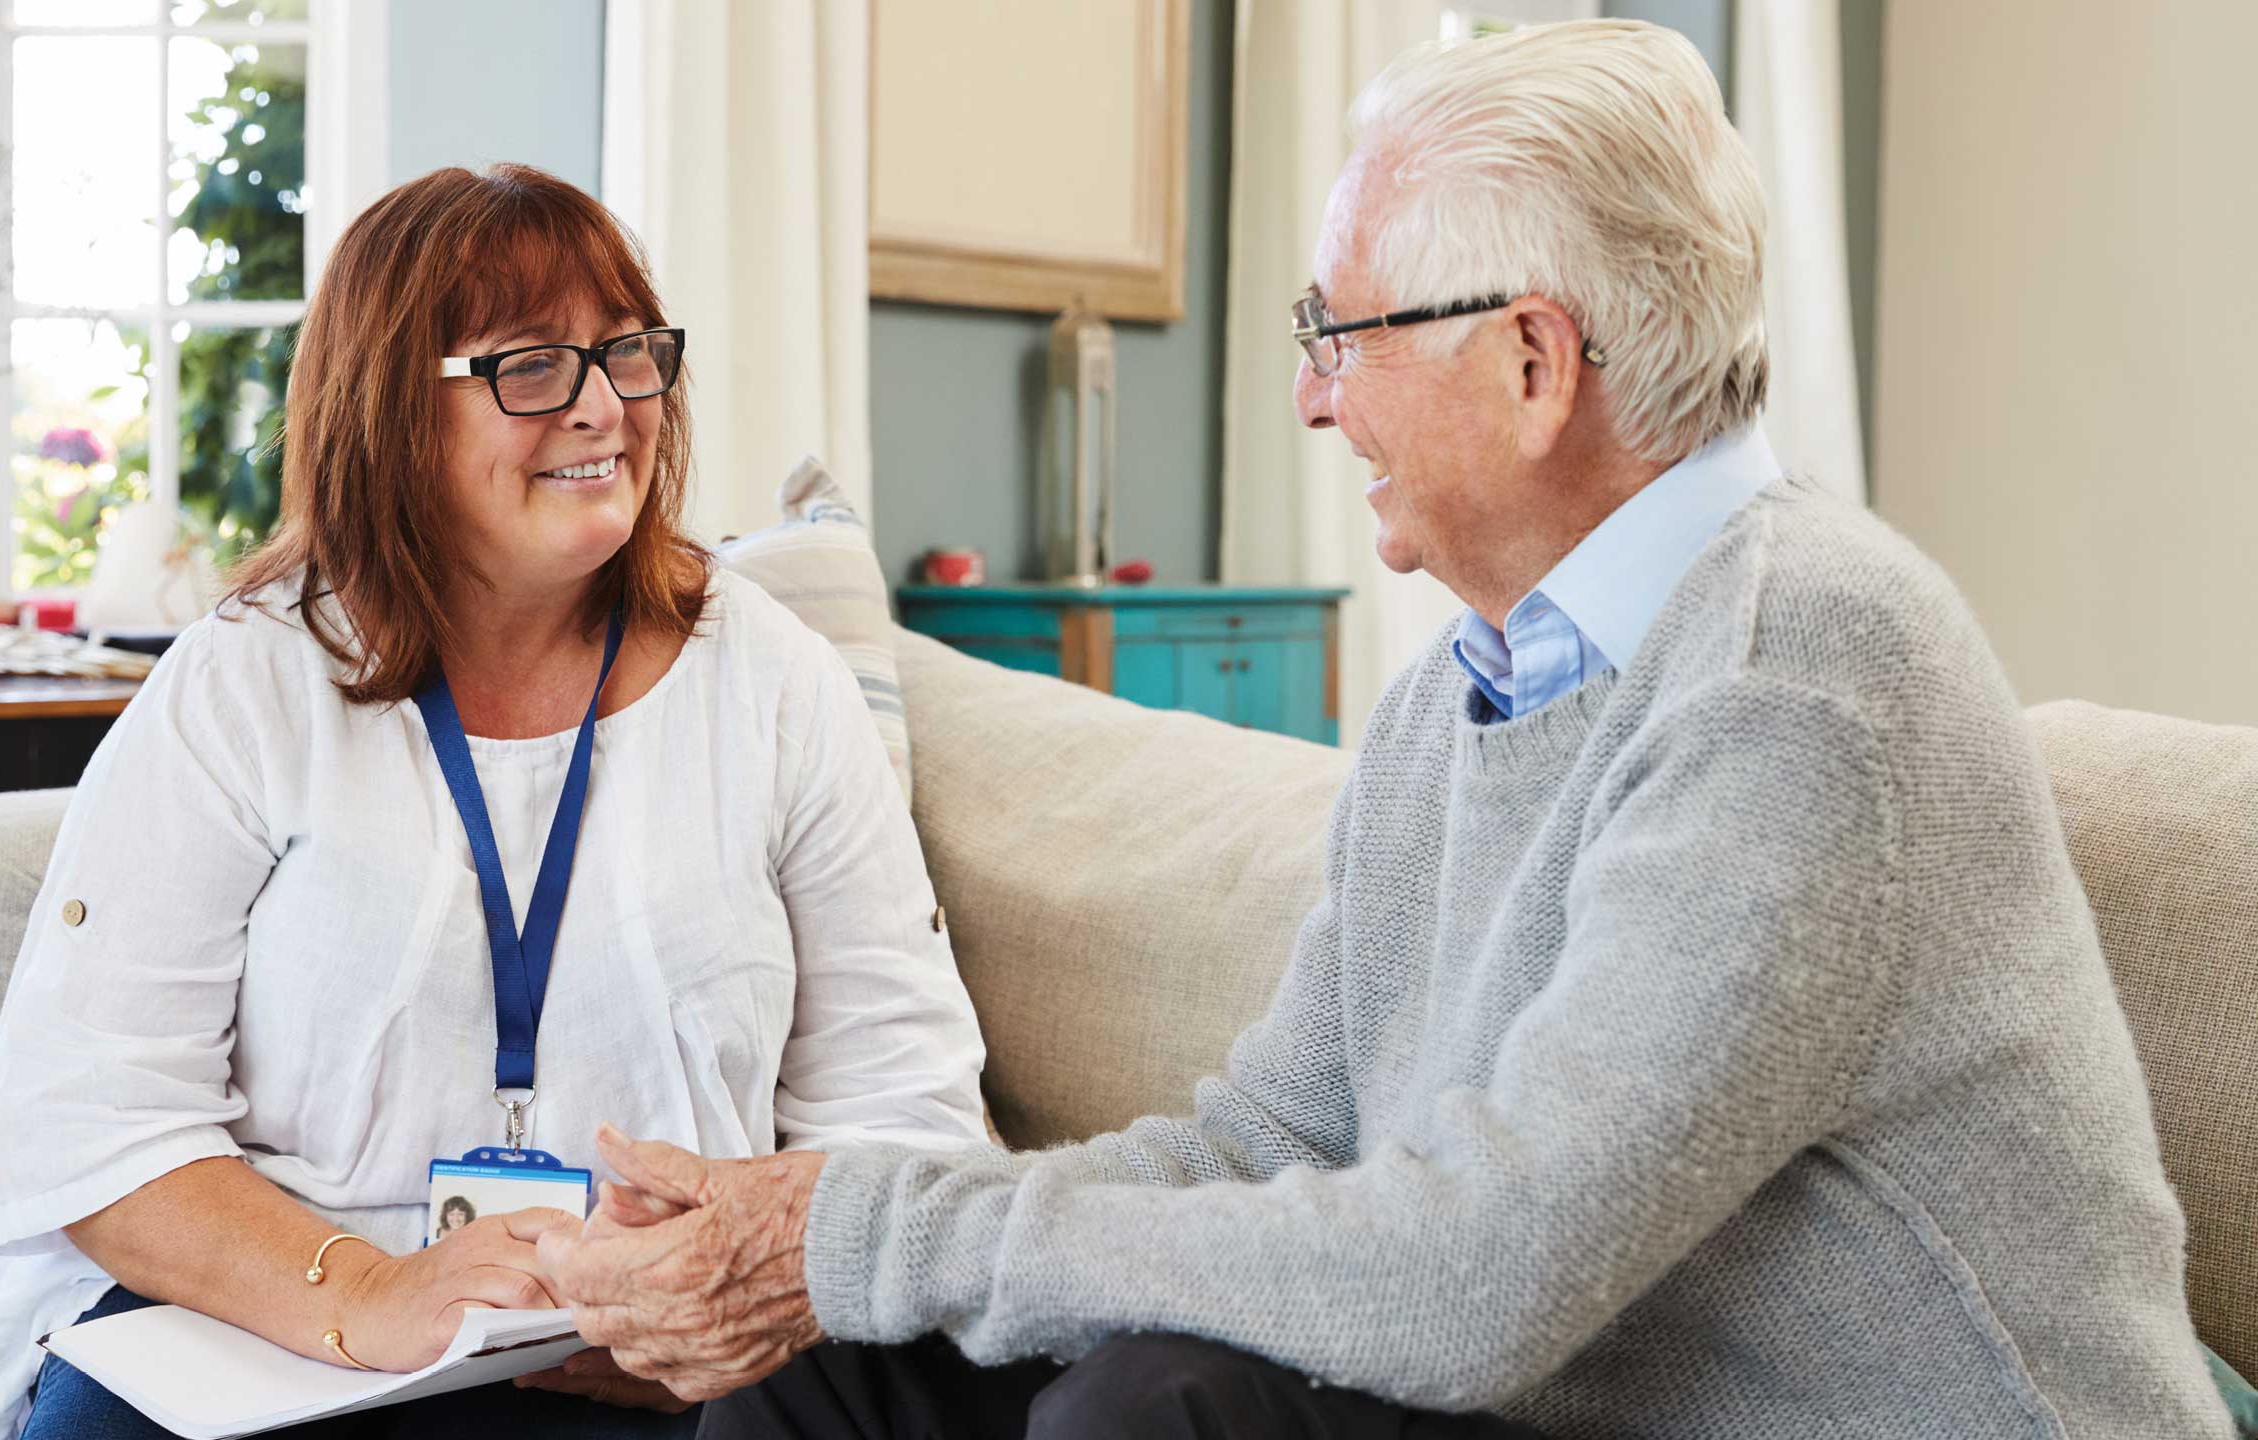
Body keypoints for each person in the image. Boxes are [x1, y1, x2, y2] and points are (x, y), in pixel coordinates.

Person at [521, 21, 2236, 1440]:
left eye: (1338, 330)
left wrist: (859, 1231)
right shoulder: (1468, 691)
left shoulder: (1804, 675)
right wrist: (834, 1250)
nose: (1309, 394)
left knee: (1151, 1411)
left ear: (1531, 363)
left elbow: (1468, 1281)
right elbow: (1263, 1147)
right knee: (849, 1387)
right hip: (1580, 1407)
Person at [0, 164, 990, 1440]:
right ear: (390, 410)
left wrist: (727, 1307)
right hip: (275, 1329)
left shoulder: (770, 679)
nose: (605, 406)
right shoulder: (246, 682)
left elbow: (903, 1106)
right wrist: (375, 1294)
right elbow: (92, 1118)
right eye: (533, 365)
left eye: (627, 354)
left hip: (667, 1359)